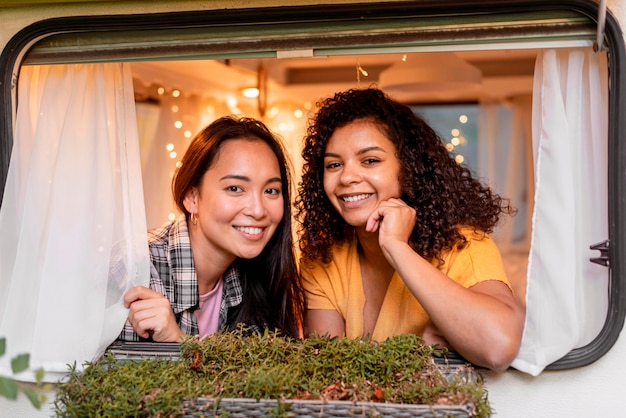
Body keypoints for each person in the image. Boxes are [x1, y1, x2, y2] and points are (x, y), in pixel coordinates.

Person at [295, 88, 524, 371]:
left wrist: (396, 247)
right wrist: (420, 349)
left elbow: (498, 346)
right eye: (334, 164)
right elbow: (327, 372)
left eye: (370, 160)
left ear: (409, 169)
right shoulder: (323, 257)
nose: (347, 177)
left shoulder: (464, 244)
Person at [118, 116, 305, 342]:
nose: (258, 210)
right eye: (235, 188)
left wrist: (179, 342)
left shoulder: (259, 274)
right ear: (191, 197)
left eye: (271, 191)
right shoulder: (137, 270)